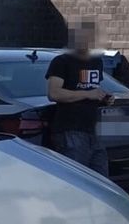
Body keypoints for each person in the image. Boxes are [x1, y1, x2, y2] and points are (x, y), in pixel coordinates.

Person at [45, 24, 112, 175]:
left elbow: (91, 89)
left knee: (101, 182)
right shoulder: (61, 62)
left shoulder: (96, 62)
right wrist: (88, 94)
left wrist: (103, 97)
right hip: (70, 131)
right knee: (76, 180)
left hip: (94, 131)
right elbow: (54, 93)